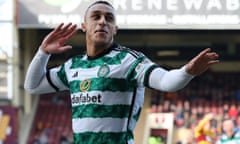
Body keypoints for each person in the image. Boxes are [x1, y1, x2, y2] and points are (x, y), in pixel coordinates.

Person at [24, 1, 219, 144]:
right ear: (84, 26)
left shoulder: (129, 60)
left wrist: (187, 71)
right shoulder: (73, 66)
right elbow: (32, 86)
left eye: (109, 18)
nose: (102, 22)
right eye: (96, 16)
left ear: (115, 28)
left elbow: (167, 81)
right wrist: (43, 53)